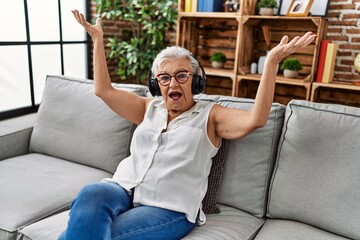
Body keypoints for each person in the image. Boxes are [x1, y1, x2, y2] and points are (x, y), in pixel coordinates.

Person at [60, 9, 316, 240]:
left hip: (168, 208)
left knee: (89, 235)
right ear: (156, 84)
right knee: (91, 194)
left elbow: (256, 119)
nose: (173, 84)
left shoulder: (212, 116)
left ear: (195, 82)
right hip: (123, 189)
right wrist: (97, 41)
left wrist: (271, 62)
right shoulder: (148, 107)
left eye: (182, 76)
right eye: (164, 77)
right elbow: (103, 90)